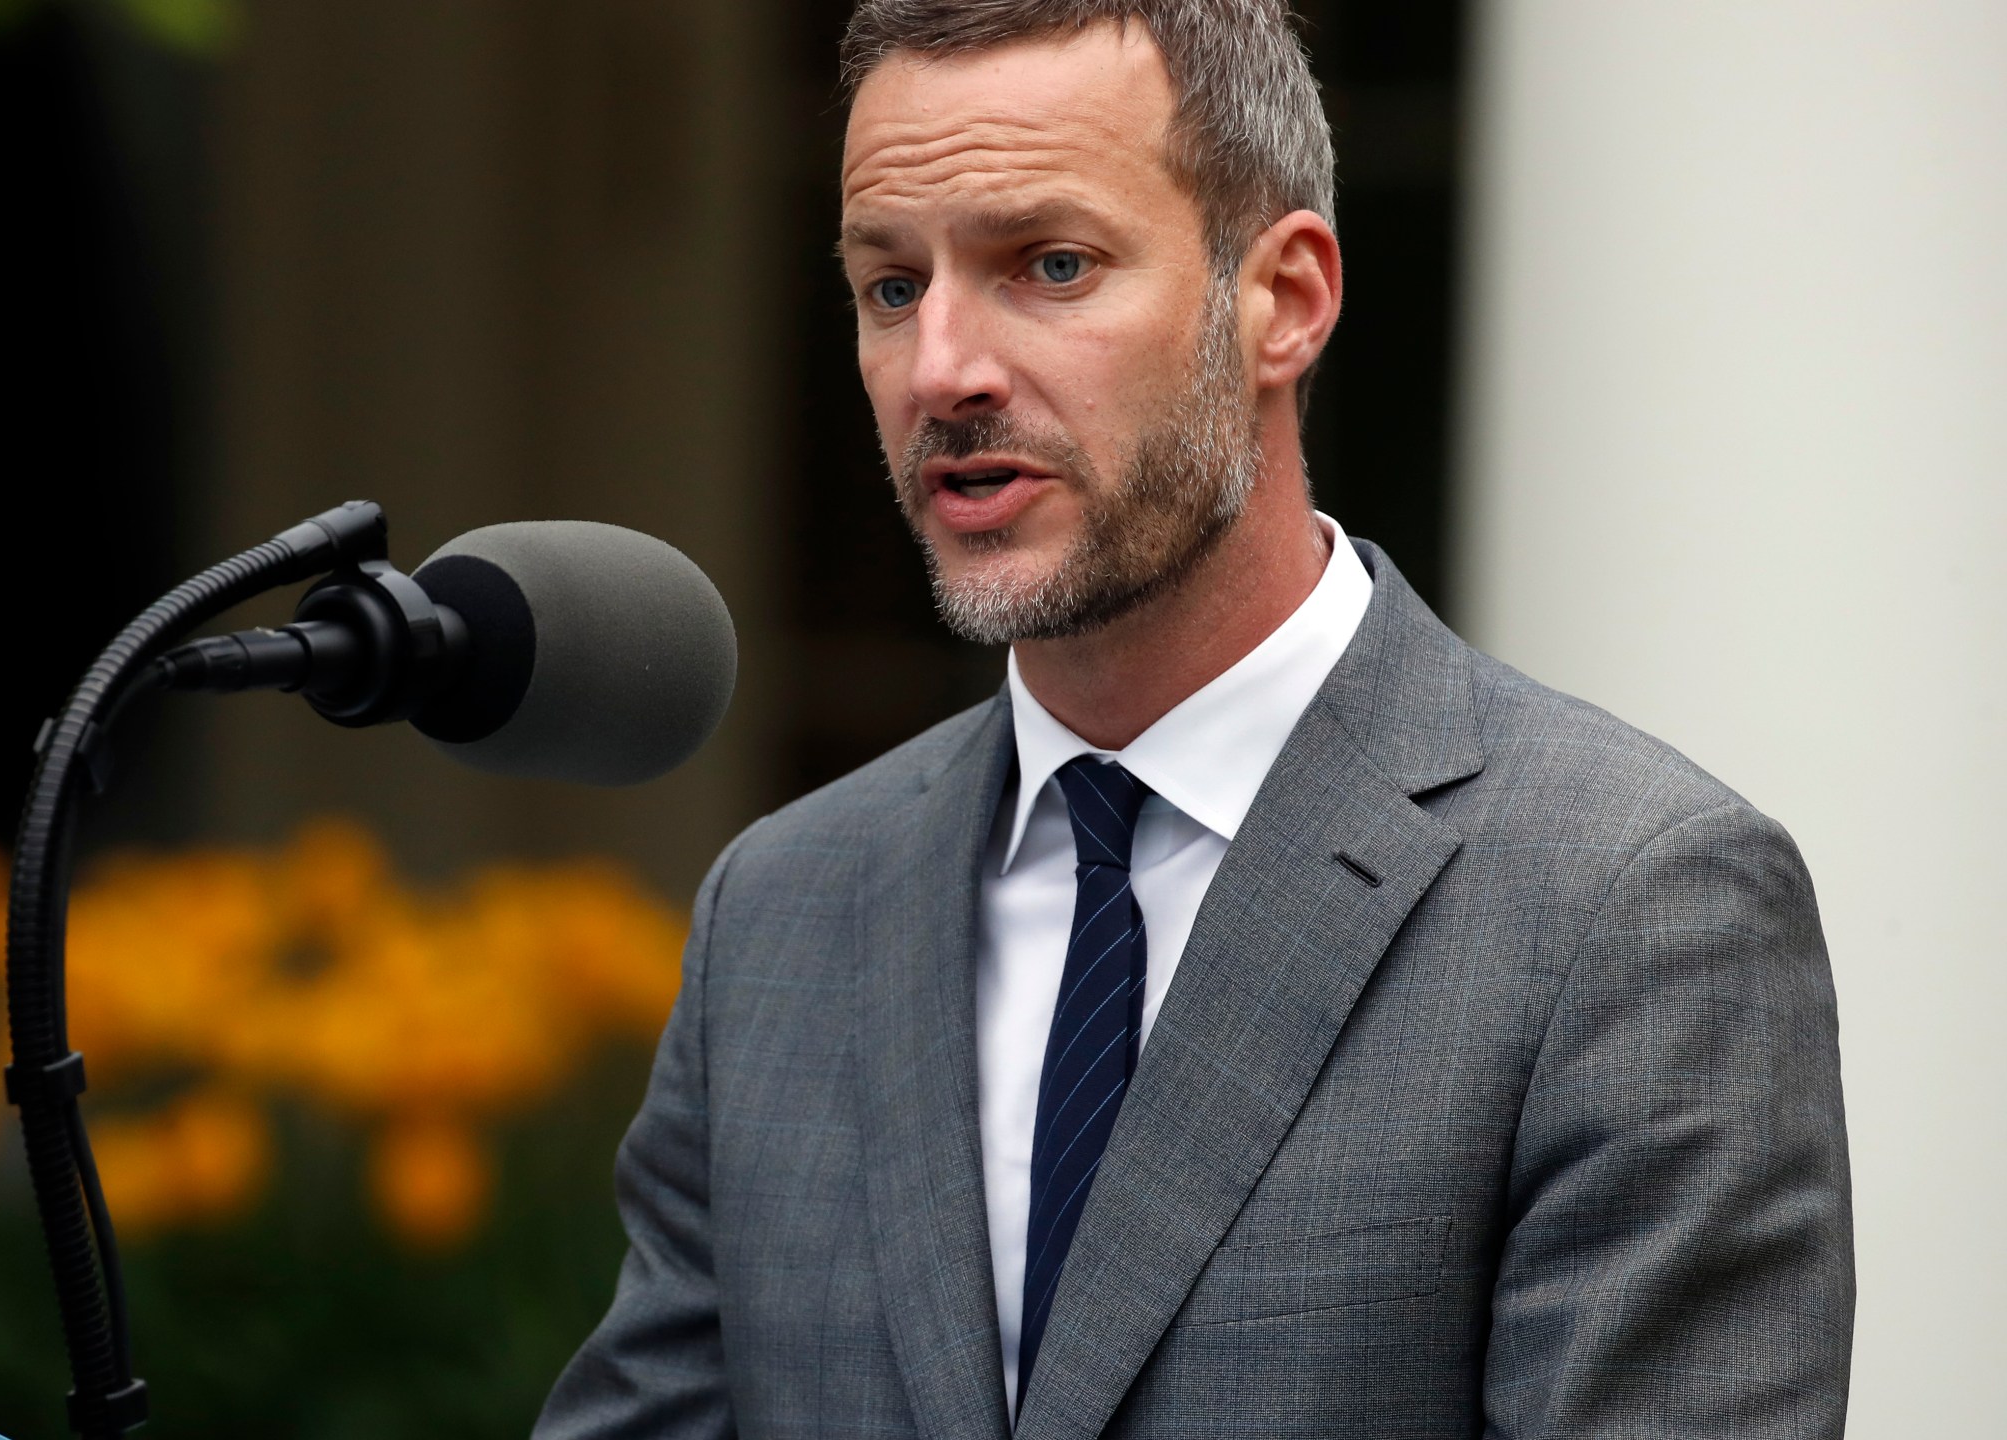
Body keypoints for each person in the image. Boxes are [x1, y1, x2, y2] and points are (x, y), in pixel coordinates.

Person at [534, 3, 1854, 1438]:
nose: (942, 371)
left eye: (1050, 264)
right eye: (892, 286)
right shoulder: (782, 912)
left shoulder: (1629, 903)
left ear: (1283, 298)